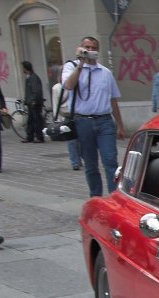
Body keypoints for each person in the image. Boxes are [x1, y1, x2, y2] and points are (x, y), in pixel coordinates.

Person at [62, 36, 126, 197]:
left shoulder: (105, 73)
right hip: (82, 121)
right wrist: (81, 65)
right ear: (80, 49)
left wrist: (120, 125)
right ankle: (95, 197)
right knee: (90, 165)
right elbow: (68, 85)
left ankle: (114, 197)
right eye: (87, 47)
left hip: (104, 121)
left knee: (110, 161)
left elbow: (113, 99)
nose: (90, 51)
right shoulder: (71, 68)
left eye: (93, 48)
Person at [50, 82, 82, 170]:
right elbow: (56, 104)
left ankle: (79, 159)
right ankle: (75, 162)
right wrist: (57, 118)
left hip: (78, 113)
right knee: (71, 139)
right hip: (66, 115)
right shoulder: (56, 88)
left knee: (80, 139)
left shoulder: (77, 83)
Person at [22, 61, 45, 143]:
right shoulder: (29, 77)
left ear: (26, 68)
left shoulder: (34, 78)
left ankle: (39, 137)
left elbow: (36, 91)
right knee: (30, 120)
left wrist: (34, 100)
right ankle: (29, 136)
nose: (22, 69)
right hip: (30, 103)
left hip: (34, 103)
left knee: (37, 120)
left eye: (23, 68)